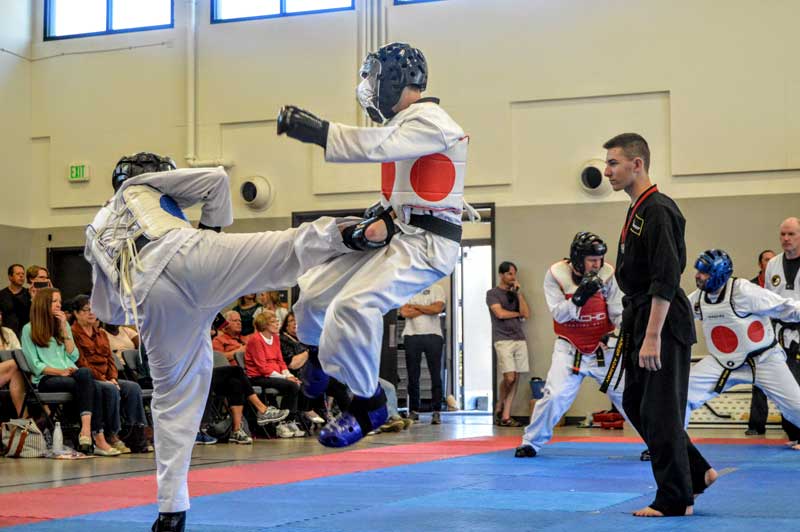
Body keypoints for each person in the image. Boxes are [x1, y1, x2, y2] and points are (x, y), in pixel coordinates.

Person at [84, 152, 379, 531]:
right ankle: (356, 232)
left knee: (173, 401)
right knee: (282, 249)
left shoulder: (94, 229)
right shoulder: (141, 184)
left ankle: (171, 512)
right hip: (185, 253)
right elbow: (217, 180)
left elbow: (106, 308)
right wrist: (210, 235)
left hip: (150, 298)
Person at [278, 42, 471, 448]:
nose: (367, 88)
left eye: (373, 78)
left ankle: (370, 404)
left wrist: (320, 132)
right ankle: (317, 361)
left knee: (354, 306)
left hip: (428, 244)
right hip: (399, 235)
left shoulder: (431, 121)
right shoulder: (405, 125)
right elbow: (403, 192)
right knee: (312, 295)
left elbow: (376, 146)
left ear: (395, 80)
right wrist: (374, 221)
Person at [603, 132, 713, 517]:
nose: (606, 171)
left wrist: (652, 337)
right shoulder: (638, 209)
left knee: (661, 410)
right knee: (635, 402)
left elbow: (666, 277)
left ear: (638, 164)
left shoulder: (659, 209)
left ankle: (674, 498)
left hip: (661, 320)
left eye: (614, 163)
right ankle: (696, 472)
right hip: (640, 316)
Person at [515, 232, 628, 458]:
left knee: (628, 396)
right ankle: (531, 442)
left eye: (600, 259)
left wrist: (617, 336)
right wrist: (579, 297)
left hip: (603, 349)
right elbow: (559, 314)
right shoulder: (555, 275)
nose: (598, 264)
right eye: (592, 260)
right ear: (578, 259)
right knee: (554, 396)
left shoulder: (607, 274)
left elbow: (618, 311)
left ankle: (656, 444)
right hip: (569, 348)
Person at [686, 249, 800, 450]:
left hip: (763, 360)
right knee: (682, 393)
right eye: (698, 271)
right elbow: (674, 316)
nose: (697, 276)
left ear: (719, 274)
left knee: (796, 407)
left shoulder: (744, 291)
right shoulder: (698, 299)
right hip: (722, 363)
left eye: (703, 272)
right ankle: (670, 445)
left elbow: (784, 307)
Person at [20, 288, 119, 456]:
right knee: (91, 382)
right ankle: (95, 437)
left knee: (88, 378)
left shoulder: (64, 325)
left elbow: (73, 355)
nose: (59, 304)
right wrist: (60, 372)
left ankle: (88, 432)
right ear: (43, 304)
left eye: (59, 301)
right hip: (47, 379)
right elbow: (34, 365)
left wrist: (64, 330)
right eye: (54, 301)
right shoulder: (28, 329)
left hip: (72, 375)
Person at [71, 295, 151, 453]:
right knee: (111, 389)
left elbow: (110, 359)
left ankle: (136, 432)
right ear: (76, 313)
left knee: (133, 387)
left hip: (107, 377)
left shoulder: (101, 333)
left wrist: (113, 377)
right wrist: (104, 379)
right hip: (91, 378)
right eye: (86, 310)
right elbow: (81, 362)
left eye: (93, 310)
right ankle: (111, 434)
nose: (91, 313)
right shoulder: (73, 334)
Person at [765, 217, 800, 445]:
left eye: (791, 234)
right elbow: (767, 300)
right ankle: (793, 433)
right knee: (784, 384)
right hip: (780, 333)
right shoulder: (773, 265)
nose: (786, 239)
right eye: (783, 234)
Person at [245, 311, 305, 438]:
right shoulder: (256, 339)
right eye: (273, 321)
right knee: (292, 386)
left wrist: (288, 374)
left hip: (274, 374)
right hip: (258, 377)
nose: (277, 323)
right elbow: (262, 367)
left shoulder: (276, 338)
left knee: (295, 383)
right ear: (264, 324)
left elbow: (280, 361)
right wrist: (285, 377)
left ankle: (289, 420)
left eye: (277, 321)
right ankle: (281, 423)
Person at [486, 261, 530, 427]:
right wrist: (517, 314)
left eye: (514, 274)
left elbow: (526, 314)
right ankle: (499, 403)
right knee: (509, 377)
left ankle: (506, 415)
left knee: (516, 377)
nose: (513, 277)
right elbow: (500, 314)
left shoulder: (516, 294)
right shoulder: (492, 293)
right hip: (503, 339)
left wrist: (518, 294)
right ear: (502, 275)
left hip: (519, 338)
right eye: (510, 274)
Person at [399, 283, 446, 423]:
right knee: (413, 376)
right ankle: (414, 411)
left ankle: (436, 411)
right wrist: (428, 308)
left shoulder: (437, 288)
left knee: (435, 375)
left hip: (433, 335)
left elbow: (437, 308)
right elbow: (404, 312)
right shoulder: (408, 288)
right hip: (412, 335)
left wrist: (416, 306)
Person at [746, 249, 776, 435]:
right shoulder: (750, 287)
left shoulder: (779, 284)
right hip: (757, 339)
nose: (770, 263)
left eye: (773, 260)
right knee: (759, 382)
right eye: (766, 260)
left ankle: (792, 428)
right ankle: (756, 426)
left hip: (781, 336)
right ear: (760, 264)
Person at [0, 310, 24, 417]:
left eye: (0, 313)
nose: (0, 316)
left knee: (17, 372)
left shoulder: (7, 333)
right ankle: (25, 420)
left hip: (10, 375)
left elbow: (20, 354)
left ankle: (23, 422)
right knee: (15, 364)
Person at [0, 264, 31, 337]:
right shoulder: (2, 295)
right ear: (10, 277)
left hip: (26, 334)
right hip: (7, 336)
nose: (21, 276)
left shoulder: (29, 294)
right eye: (18, 274)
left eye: (23, 274)